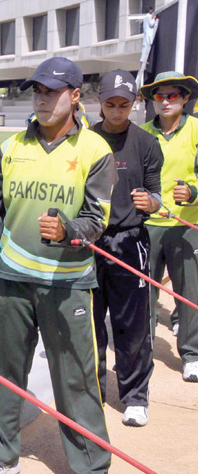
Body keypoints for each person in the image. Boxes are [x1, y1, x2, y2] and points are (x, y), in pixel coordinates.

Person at [0, 57, 117, 474]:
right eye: (36, 90)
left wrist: (71, 232)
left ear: (75, 96)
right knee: (2, 372)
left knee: (76, 379)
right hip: (12, 279)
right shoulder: (11, 146)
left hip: (68, 283)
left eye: (51, 91)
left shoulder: (95, 150)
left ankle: (92, 470)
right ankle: (0, 455)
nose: (40, 97)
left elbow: (98, 220)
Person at [90, 69, 163, 427]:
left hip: (131, 241)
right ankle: (94, 392)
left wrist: (151, 202)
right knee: (90, 324)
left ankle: (134, 396)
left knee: (132, 325)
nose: (117, 111)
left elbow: (156, 193)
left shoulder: (147, 143)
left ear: (135, 103)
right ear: (99, 102)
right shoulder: (85, 141)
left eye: (125, 104)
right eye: (110, 104)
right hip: (89, 243)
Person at [140, 71, 198, 383]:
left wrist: (193, 192)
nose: (164, 101)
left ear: (185, 98)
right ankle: (143, 352)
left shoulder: (196, 130)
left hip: (186, 225)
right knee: (143, 294)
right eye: (159, 96)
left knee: (189, 294)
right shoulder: (143, 133)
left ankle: (191, 354)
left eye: (172, 95)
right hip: (148, 226)